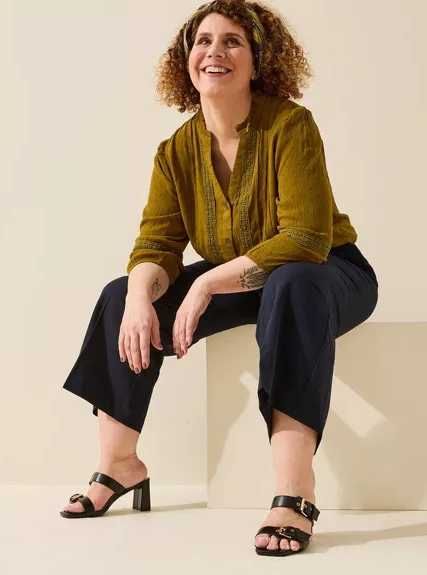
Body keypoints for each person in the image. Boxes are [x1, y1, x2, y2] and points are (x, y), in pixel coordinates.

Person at [59, 0, 378, 557]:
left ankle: (295, 492)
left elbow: (305, 239)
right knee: (121, 294)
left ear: (258, 61)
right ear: (186, 60)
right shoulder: (175, 151)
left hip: (324, 273)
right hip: (245, 278)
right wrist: (138, 297)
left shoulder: (290, 125)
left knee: (291, 283)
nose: (215, 52)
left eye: (232, 41)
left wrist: (205, 284)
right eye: (203, 41)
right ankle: (120, 463)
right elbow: (156, 245)